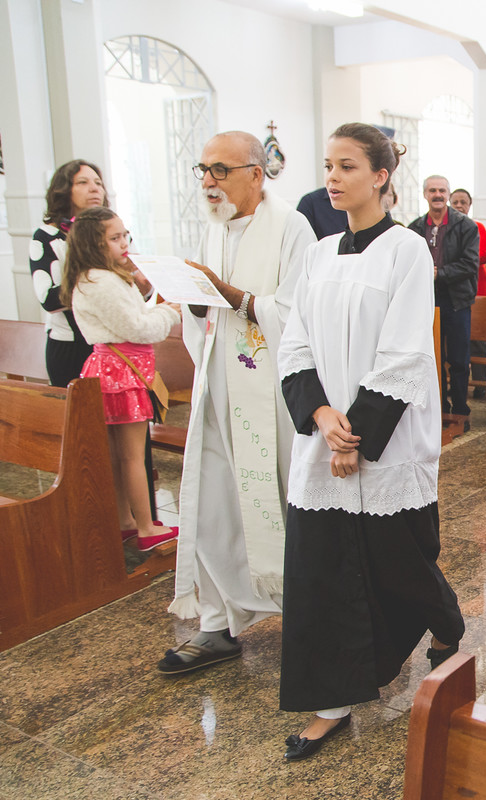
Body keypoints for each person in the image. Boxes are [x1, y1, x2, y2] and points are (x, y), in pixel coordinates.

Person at [277, 122, 464, 761]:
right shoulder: (318, 255)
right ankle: (330, 705)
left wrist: (355, 436)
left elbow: (404, 351)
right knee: (321, 567)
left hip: (384, 433)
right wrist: (323, 416)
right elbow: (294, 342)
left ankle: (444, 617)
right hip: (325, 433)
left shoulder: (407, 250)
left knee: (397, 558)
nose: (332, 178)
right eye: (328, 165)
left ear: (381, 176)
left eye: (348, 166)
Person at [158, 131, 315, 674]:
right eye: (202, 169)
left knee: (281, 495)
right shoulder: (213, 231)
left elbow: (297, 311)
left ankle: (306, 616)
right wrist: (192, 297)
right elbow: (204, 316)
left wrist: (222, 292)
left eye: (220, 169)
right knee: (214, 503)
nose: (208, 180)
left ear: (257, 172)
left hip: (271, 394)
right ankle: (216, 624)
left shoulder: (293, 228)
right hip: (217, 386)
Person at [62, 207, 180, 551]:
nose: (124, 243)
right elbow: (138, 329)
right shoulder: (101, 280)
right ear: (92, 245)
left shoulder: (97, 277)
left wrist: (145, 296)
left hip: (110, 371)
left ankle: (126, 521)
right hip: (121, 375)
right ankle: (146, 529)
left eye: (125, 235)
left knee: (119, 457)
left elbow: (125, 316)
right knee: (131, 457)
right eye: (115, 239)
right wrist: (168, 311)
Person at [31, 160, 111, 387]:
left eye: (98, 183)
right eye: (83, 182)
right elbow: (50, 299)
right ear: (64, 191)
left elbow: (135, 288)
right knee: (81, 421)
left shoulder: (114, 230)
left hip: (114, 343)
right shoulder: (47, 237)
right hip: (70, 347)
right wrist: (103, 283)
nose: (95, 188)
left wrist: (143, 287)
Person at [408, 176, 479, 420]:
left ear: (448, 194)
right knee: (432, 357)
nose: (437, 194)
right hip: (425, 301)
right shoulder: (415, 227)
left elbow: (471, 264)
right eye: (432, 190)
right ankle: (437, 410)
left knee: (458, 359)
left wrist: (440, 273)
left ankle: (460, 410)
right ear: (425, 194)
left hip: (457, 300)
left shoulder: (465, 226)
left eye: (441, 190)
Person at [449, 188, 486, 398]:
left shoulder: (477, 227)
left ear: (469, 204)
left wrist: (453, 261)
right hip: (454, 288)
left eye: (463, 202)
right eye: (455, 202)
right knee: (456, 339)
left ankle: (481, 382)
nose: (459, 206)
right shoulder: (446, 227)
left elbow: (481, 255)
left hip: (478, 287)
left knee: (477, 338)